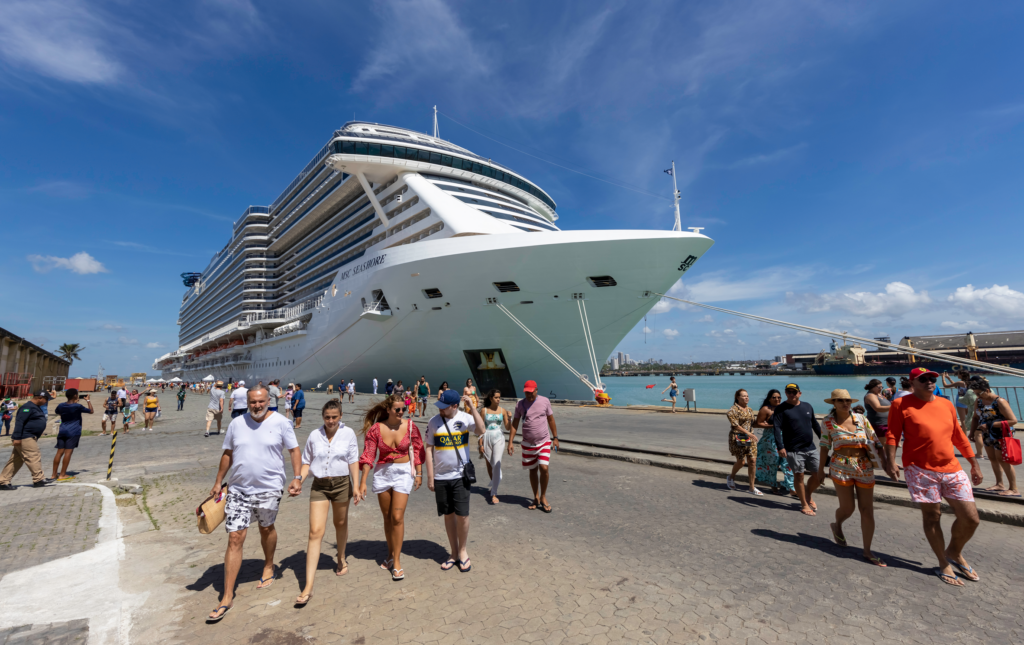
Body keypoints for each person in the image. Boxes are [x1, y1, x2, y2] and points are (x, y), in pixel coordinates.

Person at [207, 386, 301, 621]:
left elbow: (294, 450)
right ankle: (227, 595)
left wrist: (297, 477)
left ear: (269, 400)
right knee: (235, 537)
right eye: (252, 402)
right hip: (238, 489)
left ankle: (269, 565)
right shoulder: (237, 423)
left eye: (261, 402)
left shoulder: (281, 422)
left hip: (269, 488)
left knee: (266, 528)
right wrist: (218, 481)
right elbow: (228, 453)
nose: (257, 406)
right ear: (246, 402)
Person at [885, 367, 983, 586]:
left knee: (971, 518)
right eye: (923, 379)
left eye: (932, 378)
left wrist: (973, 463)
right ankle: (943, 562)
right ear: (913, 383)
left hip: (952, 467)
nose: (929, 382)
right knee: (932, 517)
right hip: (920, 470)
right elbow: (893, 434)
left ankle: (954, 552)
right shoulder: (900, 404)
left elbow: (958, 435)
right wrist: (890, 460)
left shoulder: (946, 404)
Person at [294, 399, 363, 605]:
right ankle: (308, 586)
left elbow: (353, 460)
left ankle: (341, 557)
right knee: (315, 532)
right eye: (327, 417)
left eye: (334, 417)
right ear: (322, 417)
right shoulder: (315, 435)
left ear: (340, 416)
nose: (330, 421)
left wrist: (356, 486)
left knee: (340, 523)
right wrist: (298, 480)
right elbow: (306, 461)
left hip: (342, 484)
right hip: (319, 486)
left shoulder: (348, 433)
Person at [818, 389, 888, 566]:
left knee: (867, 510)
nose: (845, 403)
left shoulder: (861, 419)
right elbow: (825, 447)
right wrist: (820, 470)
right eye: (840, 401)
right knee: (848, 507)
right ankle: (837, 524)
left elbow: (876, 442)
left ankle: (867, 551)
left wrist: (887, 463)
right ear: (833, 403)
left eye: (847, 400)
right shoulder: (827, 422)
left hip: (864, 465)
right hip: (840, 466)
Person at [357, 395, 424, 581]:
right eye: (397, 409)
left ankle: (397, 561)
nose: (401, 412)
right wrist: (363, 482)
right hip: (383, 474)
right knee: (387, 518)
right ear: (388, 410)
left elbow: (417, 449)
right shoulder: (376, 429)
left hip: (403, 473)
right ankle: (390, 553)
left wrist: (419, 473)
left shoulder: (410, 426)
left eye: (404, 409)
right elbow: (368, 456)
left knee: (397, 517)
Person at [425, 390, 485, 573]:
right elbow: (428, 449)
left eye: (444, 407)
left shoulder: (466, 418)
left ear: (454, 406)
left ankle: (463, 551)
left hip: (460, 476)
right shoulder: (434, 422)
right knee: (448, 515)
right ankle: (453, 553)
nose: (441, 410)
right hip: (441, 477)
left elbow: (481, 430)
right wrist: (430, 476)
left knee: (463, 515)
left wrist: (473, 408)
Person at [509, 380, 559, 512]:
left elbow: (551, 419)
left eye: (531, 392)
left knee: (544, 468)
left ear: (536, 390)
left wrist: (555, 438)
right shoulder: (520, 404)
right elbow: (515, 424)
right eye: (526, 392)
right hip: (527, 443)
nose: (529, 395)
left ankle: (543, 496)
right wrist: (510, 442)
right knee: (532, 470)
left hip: (544, 441)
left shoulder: (545, 401)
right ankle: (536, 497)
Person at [773, 383, 822, 516]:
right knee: (799, 475)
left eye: (794, 392)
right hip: (793, 449)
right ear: (786, 393)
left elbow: (815, 425)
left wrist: (825, 440)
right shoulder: (781, 409)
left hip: (810, 447)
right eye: (788, 392)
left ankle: (807, 495)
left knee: (819, 476)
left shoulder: (807, 406)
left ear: (799, 393)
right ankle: (804, 504)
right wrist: (780, 447)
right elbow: (776, 428)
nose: (791, 394)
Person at [970, 377, 1019, 497]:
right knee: (992, 458)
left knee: (1002, 459)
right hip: (987, 434)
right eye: (976, 394)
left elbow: (1013, 420)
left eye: (979, 393)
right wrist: (972, 432)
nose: (978, 396)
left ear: (987, 390)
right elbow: (975, 418)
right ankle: (999, 484)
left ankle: (1013, 488)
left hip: (1001, 434)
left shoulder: (999, 401)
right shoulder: (979, 401)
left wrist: (990, 424)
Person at [0, 392, 50, 489]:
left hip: (28, 436)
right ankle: (39, 479)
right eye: (46, 399)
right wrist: (17, 437)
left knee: (16, 460)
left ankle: (3, 481)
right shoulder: (27, 407)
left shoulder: (35, 407)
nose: (46, 402)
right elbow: (19, 422)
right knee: (33, 456)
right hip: (25, 437)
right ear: (40, 397)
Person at [754, 390, 793, 495]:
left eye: (779, 397)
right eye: (774, 397)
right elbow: (758, 423)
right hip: (770, 440)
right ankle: (773, 485)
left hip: (784, 439)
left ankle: (791, 486)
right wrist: (774, 426)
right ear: (769, 399)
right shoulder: (766, 409)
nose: (777, 399)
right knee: (772, 464)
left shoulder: (784, 407)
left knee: (788, 463)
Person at [726, 389, 762, 495]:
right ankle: (731, 477)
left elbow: (753, 423)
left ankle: (751, 487)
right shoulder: (733, 410)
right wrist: (749, 434)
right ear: (737, 397)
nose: (746, 397)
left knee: (752, 461)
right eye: (744, 396)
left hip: (751, 438)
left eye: (747, 396)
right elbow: (735, 425)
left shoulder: (750, 410)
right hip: (739, 437)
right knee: (741, 462)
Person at [52, 389, 93, 481]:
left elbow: (57, 412)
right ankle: (62, 474)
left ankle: (54, 474)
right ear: (75, 396)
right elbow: (91, 411)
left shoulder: (61, 405)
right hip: (73, 431)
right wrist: (88, 400)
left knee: (59, 452)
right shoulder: (78, 406)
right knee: (68, 452)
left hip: (62, 430)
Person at [480, 389, 510, 504]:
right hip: (487, 437)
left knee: (496, 463)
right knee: (489, 463)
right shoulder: (484, 410)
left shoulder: (503, 411)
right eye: (496, 397)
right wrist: (480, 443)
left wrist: (510, 417)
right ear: (491, 398)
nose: (498, 399)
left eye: (499, 397)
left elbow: (507, 427)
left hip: (498, 437)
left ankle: (494, 493)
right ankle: (494, 484)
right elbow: (480, 428)